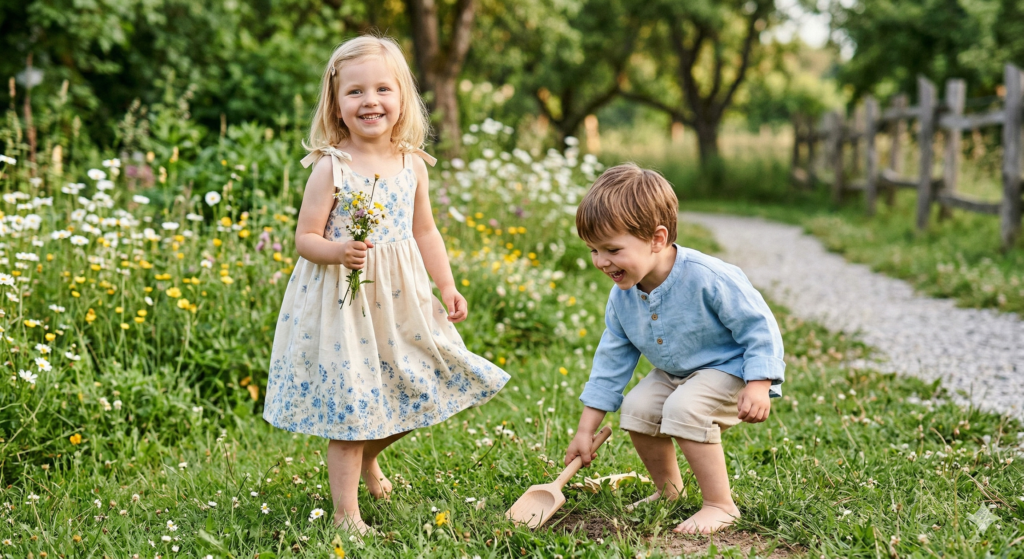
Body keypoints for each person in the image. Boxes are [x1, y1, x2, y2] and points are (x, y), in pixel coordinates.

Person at [263, 35, 509, 534]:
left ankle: (370, 459)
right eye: (354, 92)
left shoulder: (412, 162)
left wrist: (447, 285)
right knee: (354, 406)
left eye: (382, 89)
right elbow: (305, 238)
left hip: (400, 304)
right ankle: (346, 516)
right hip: (344, 305)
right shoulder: (332, 166)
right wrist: (338, 251)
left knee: (420, 388)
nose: (369, 101)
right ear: (335, 104)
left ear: (402, 99)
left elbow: (425, 231)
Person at [562, 163, 785, 534]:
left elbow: (757, 324)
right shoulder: (622, 298)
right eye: (593, 250)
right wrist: (586, 430)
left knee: (685, 408)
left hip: (731, 370)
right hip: (676, 373)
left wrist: (759, 382)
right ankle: (669, 491)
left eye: (612, 249)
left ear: (656, 239)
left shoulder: (707, 276)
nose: (601, 261)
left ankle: (720, 505)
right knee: (637, 408)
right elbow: (611, 363)